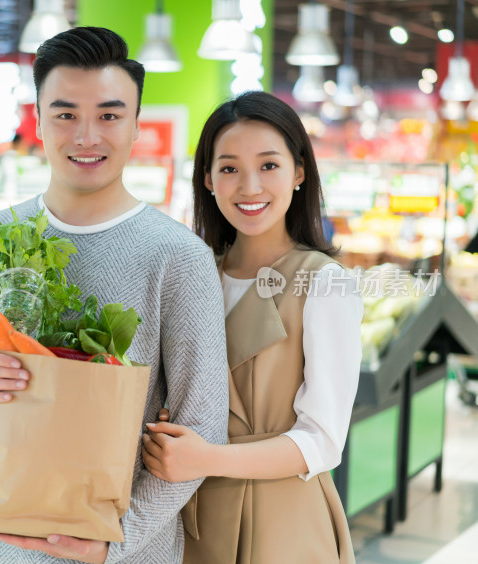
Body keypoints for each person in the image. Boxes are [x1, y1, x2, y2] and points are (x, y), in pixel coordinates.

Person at [0, 27, 229, 564]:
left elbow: (201, 432)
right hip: (1, 544)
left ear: (137, 126)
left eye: (110, 116)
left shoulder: (179, 257)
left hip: (124, 551)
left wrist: (116, 542)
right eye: (65, 114)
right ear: (39, 121)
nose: (87, 136)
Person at [142, 91, 363, 563]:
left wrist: (209, 458)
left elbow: (322, 441)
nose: (249, 186)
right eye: (228, 168)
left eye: (268, 166)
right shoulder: (195, 273)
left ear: (299, 172)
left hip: (281, 520)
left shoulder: (325, 283)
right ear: (207, 179)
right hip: (187, 515)